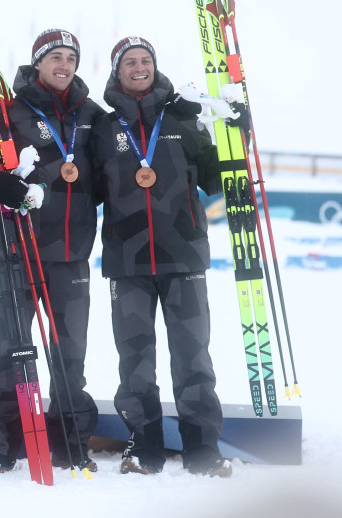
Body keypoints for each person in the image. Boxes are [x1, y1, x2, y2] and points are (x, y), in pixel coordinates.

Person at [0, 29, 103, 474]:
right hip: (17, 250)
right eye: (54, 56)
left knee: (69, 357)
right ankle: (0, 445)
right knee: (10, 351)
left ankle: (71, 444)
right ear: (37, 63)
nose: (63, 64)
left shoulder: (91, 115)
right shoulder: (6, 112)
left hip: (71, 255)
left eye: (70, 58)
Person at [90, 36, 231, 477]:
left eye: (145, 60)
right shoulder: (103, 128)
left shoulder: (183, 118)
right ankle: (144, 445)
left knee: (193, 357)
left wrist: (232, 130)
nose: (138, 67)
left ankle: (203, 448)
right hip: (126, 261)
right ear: (117, 72)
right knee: (134, 360)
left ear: (155, 66)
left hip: (183, 256)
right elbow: (87, 191)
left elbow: (218, 179)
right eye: (129, 62)